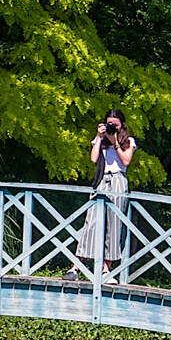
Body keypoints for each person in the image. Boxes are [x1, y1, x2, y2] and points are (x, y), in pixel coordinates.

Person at [65, 109, 137, 281]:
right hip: (101, 180)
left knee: (114, 225)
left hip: (118, 181)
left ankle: (106, 271)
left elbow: (125, 161)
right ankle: (75, 268)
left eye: (115, 124)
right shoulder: (101, 139)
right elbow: (93, 158)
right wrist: (99, 136)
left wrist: (116, 143)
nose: (113, 127)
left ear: (122, 124)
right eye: (109, 123)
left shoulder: (129, 141)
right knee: (91, 223)